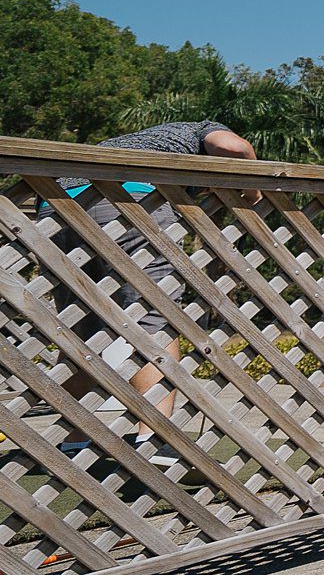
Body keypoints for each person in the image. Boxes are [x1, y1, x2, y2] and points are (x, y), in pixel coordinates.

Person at [51, 119, 259, 466]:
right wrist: (253, 190)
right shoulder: (200, 129)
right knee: (154, 318)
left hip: (55, 203)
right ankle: (153, 439)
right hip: (125, 198)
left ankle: (73, 441)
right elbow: (234, 148)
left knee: (78, 326)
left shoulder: (128, 140)